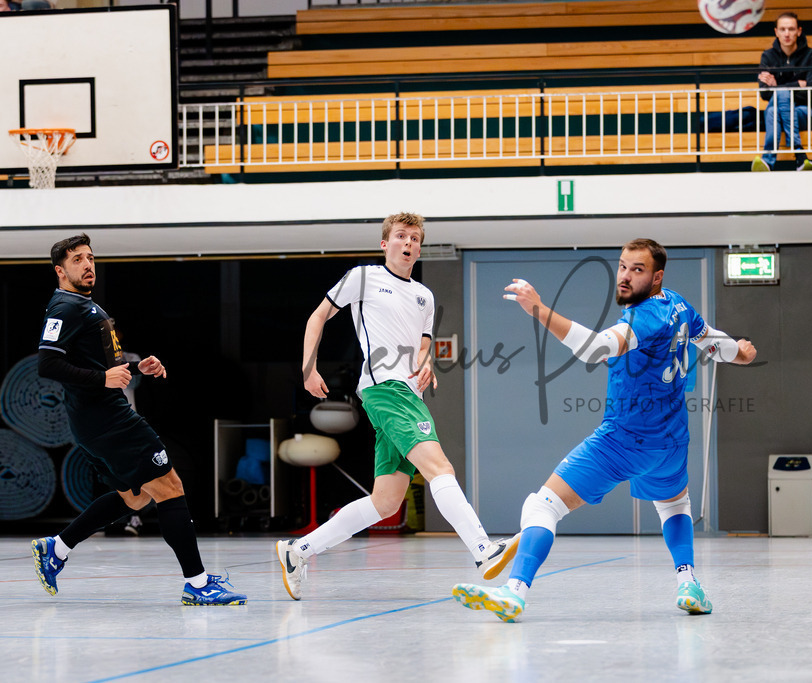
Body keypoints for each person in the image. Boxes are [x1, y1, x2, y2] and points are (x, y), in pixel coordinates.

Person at [452, 238, 757, 622]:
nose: (626, 277)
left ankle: (514, 592)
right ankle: (688, 582)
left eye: (638, 270)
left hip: (623, 439)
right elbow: (714, 343)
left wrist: (539, 310)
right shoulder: (679, 305)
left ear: (657, 276)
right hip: (673, 440)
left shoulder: (642, 318)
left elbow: (596, 349)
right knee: (674, 505)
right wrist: (742, 352)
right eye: (623, 266)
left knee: (541, 505)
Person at [275, 212, 519, 600]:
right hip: (385, 388)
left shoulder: (425, 296)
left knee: (386, 502)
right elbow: (318, 316)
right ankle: (483, 551)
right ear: (385, 244)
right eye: (402, 236)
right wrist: (308, 369)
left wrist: (427, 365)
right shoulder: (364, 277)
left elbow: (423, 345)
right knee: (440, 467)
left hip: (410, 393)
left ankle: (298, 550)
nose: (409, 243)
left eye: (416, 238)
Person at [32, 233, 246, 605]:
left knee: (133, 498)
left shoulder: (87, 308)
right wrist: (102, 379)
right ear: (60, 271)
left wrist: (138, 368)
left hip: (100, 421)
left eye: (90, 258)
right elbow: (47, 364)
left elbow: (107, 366)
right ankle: (197, 585)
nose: (87, 265)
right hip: (108, 421)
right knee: (170, 485)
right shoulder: (64, 306)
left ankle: (58, 548)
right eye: (77, 260)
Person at [751, 12, 812, 173]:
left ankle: (768, 160)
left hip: (804, 112)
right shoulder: (768, 56)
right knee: (773, 110)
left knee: (773, 109)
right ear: (776, 32)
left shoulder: (811, 55)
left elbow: (811, 93)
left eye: (791, 29)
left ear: (799, 31)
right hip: (778, 113)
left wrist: (778, 86)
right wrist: (797, 85)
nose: (787, 33)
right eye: (782, 29)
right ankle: (799, 155)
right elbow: (764, 94)